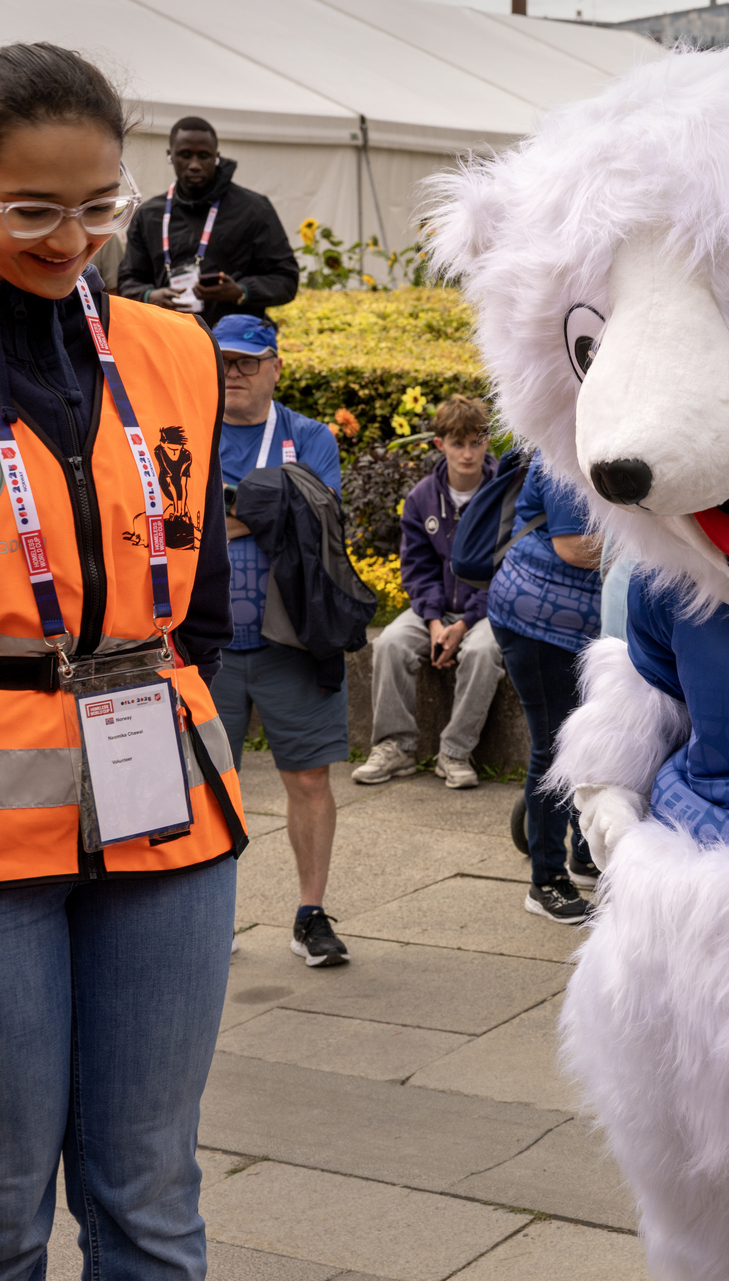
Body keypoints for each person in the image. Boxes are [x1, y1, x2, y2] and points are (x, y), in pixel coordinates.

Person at [0, 42, 246, 1279]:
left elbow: (195, 587)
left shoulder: (175, 350)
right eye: (31, 211)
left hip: (165, 793)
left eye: (97, 207)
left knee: (151, 1189)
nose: (71, 239)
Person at [208, 314, 351, 967]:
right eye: (224, 360)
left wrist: (234, 511)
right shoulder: (184, 429)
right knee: (204, 784)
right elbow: (179, 525)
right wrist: (269, 507)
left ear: (275, 367)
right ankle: (211, 919)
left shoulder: (309, 435)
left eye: (247, 361)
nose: (233, 372)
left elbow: (314, 518)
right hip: (204, 644)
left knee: (310, 779)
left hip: (293, 640)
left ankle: (309, 915)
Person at [354, 395, 504, 788]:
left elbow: (505, 572)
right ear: (440, 444)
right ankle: (395, 747)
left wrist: (465, 623)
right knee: (390, 643)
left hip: (487, 612)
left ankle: (455, 752)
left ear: (488, 441)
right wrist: (436, 623)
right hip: (435, 612)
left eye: (476, 442)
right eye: (458, 443)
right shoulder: (422, 497)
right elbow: (417, 570)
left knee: (484, 651)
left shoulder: (505, 494)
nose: (468, 453)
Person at [490, 452, 602, 923]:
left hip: (580, 625)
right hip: (537, 621)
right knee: (555, 748)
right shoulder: (565, 453)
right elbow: (574, 546)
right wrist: (652, 546)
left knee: (589, 743)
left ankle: (583, 855)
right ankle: (546, 881)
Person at [116, 116, 297, 327]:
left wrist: (240, 291)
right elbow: (127, 282)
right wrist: (150, 296)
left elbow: (286, 280)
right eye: (185, 155)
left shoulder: (254, 209)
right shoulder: (148, 215)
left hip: (233, 346)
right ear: (170, 156)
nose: (194, 165)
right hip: (171, 338)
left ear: (216, 157)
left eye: (204, 156)